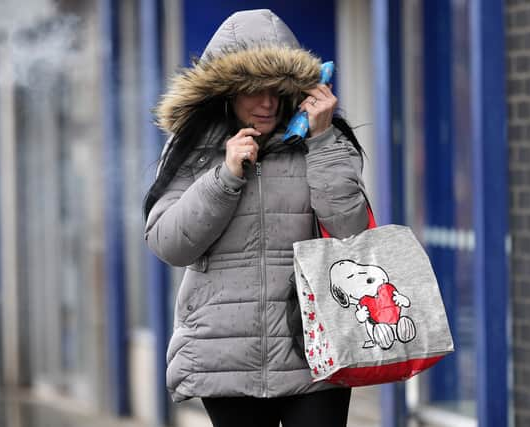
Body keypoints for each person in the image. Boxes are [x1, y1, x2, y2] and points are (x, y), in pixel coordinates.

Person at [143, 9, 370, 427]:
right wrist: (224, 176)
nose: (266, 102)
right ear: (226, 90)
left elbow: (352, 233)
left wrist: (320, 142)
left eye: (277, 89)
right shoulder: (192, 147)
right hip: (224, 352)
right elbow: (170, 244)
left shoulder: (325, 142)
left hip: (314, 348)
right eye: (252, 89)